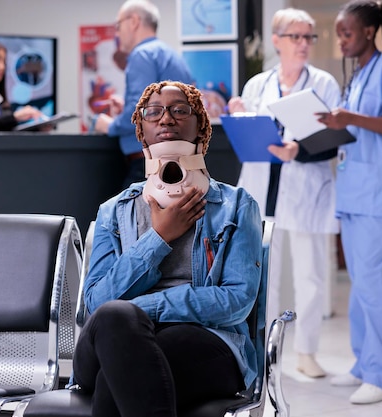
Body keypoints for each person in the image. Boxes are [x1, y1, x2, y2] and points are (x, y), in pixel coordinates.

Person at [72, 80, 263, 416]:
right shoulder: (114, 211)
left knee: (117, 376)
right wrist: (158, 239)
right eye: (153, 112)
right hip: (111, 336)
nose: (166, 119)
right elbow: (97, 304)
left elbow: (237, 302)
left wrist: (144, 309)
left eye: (179, 110)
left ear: (201, 128)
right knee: (117, 317)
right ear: (141, 131)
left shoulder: (235, 205)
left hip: (205, 341)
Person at [269, 0, 382, 405]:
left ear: (369, 32)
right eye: (337, 33)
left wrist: (349, 117)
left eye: (346, 33)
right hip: (355, 192)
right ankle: (363, 365)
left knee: (374, 288)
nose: (340, 41)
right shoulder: (358, 75)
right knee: (360, 287)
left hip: (380, 194)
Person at [227, 8, 341, 379]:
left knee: (310, 275)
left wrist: (298, 151)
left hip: (306, 187)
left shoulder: (323, 83)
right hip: (263, 188)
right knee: (264, 276)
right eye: (296, 36)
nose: (304, 44)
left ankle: (306, 351)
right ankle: (262, 349)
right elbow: (249, 139)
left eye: (309, 36)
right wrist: (238, 115)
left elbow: (332, 140)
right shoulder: (257, 85)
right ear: (276, 40)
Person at [91, 0, 194, 189]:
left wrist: (110, 125)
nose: (117, 33)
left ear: (134, 21)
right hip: (179, 161)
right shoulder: (172, 56)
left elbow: (139, 111)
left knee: (129, 216)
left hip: (148, 163)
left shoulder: (142, 55)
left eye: (118, 25)